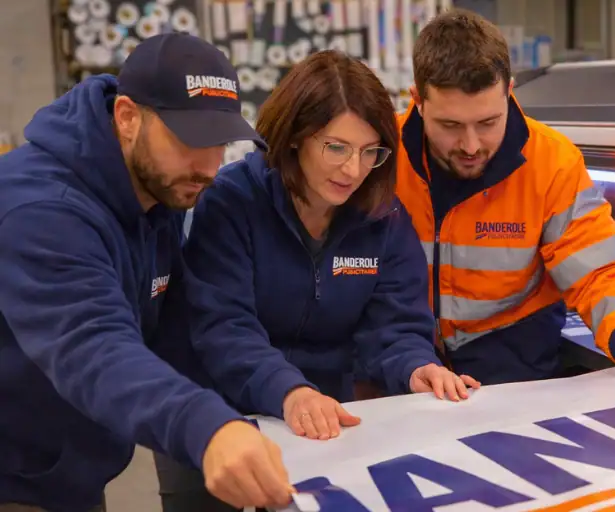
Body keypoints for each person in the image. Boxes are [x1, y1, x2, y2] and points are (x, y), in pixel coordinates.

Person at [152, 49, 481, 512]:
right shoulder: (231, 202)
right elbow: (224, 328)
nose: (353, 170)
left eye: (370, 152)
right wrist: (288, 389)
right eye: (337, 148)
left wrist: (415, 366)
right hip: (214, 409)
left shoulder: (382, 217)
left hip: (319, 419)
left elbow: (396, 324)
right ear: (294, 138)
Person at [0, 33, 294, 511]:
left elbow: (176, 335)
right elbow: (94, 345)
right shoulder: (40, 211)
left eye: (220, 142)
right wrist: (206, 427)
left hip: (67, 471)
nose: (209, 167)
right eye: (189, 140)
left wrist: (275, 394)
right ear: (128, 117)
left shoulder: (160, 188)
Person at [394, 9, 615, 385]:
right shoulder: (380, 157)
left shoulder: (552, 162)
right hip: (406, 365)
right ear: (417, 99)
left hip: (514, 371)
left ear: (509, 91)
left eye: (487, 123)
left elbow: (598, 269)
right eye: (450, 126)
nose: (470, 146)